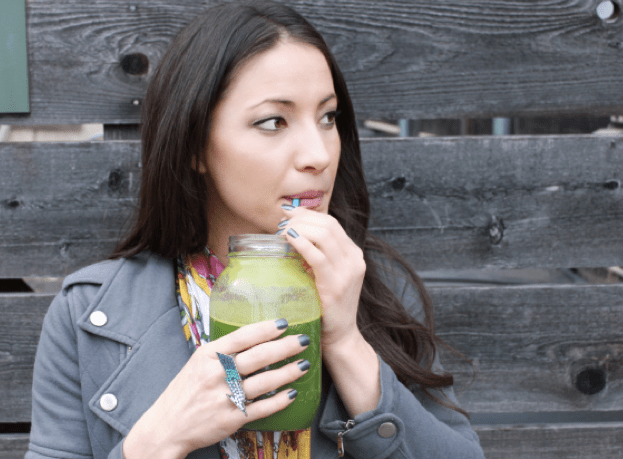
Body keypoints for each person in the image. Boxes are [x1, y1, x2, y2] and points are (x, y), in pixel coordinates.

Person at [26, 1, 486, 458]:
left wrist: (347, 344)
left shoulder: (369, 287)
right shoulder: (87, 315)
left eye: (328, 117)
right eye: (273, 122)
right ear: (195, 145)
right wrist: (159, 439)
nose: (319, 155)